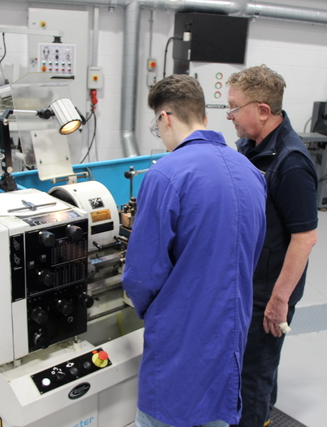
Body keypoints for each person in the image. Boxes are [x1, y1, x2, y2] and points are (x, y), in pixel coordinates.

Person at [122, 74, 267, 427]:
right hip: (230, 336)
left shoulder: (166, 174)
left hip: (180, 342)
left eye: (159, 127)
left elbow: (142, 276)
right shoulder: (251, 172)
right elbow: (252, 251)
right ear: (202, 114)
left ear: (165, 118)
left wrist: (154, 312)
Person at [225, 65, 319, 427]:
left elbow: (305, 237)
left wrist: (279, 302)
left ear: (263, 111)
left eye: (234, 107)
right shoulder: (253, 148)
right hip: (250, 280)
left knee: (254, 374)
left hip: (269, 291)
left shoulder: (290, 164)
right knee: (256, 365)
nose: (230, 115)